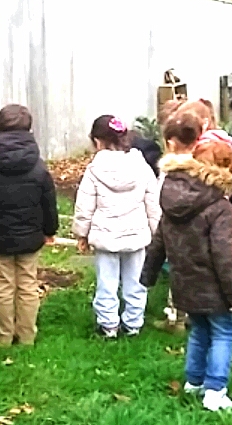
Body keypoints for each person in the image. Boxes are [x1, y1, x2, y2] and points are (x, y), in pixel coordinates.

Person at [140, 113, 232, 412]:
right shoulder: (220, 207)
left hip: (183, 280)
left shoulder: (171, 195)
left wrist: (148, 274)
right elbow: (223, 254)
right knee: (223, 332)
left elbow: (159, 238)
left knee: (199, 330)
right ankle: (215, 391)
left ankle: (194, 381)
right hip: (213, 284)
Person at [0, 104, 59, 347]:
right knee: (28, 284)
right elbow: (49, 201)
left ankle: (3, 337)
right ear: (29, 130)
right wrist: (50, 230)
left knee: (2, 286)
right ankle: (27, 336)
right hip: (31, 237)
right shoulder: (38, 165)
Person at [72, 115, 161, 338]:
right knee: (136, 281)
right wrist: (156, 232)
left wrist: (82, 234)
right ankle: (133, 323)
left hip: (106, 237)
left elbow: (85, 205)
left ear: (97, 141)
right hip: (136, 234)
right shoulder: (141, 166)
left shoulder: (94, 170)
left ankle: (108, 325)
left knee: (107, 282)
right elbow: (153, 202)